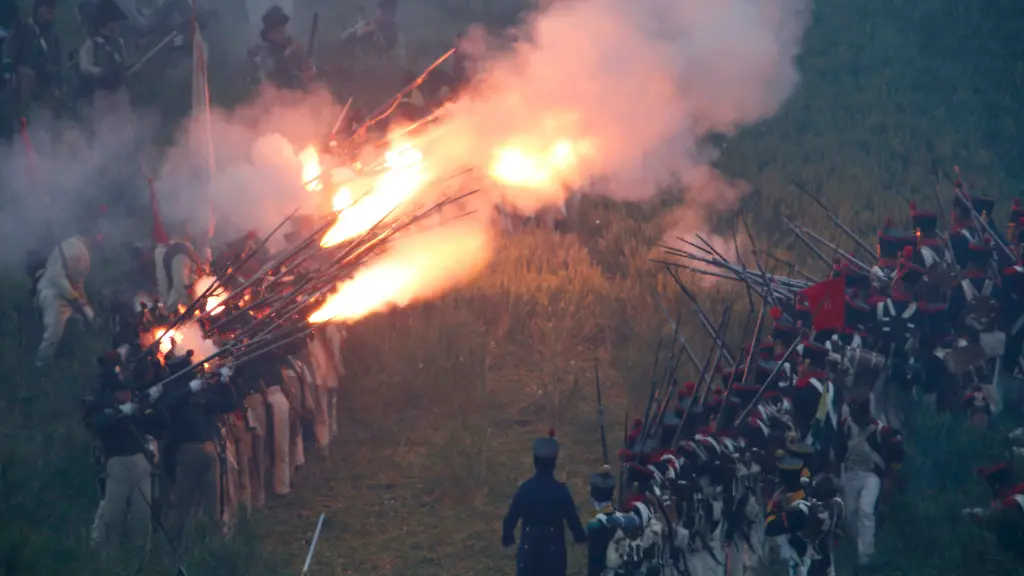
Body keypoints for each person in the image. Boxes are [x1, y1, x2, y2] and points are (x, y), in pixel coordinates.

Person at [83, 351, 166, 562]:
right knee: (112, 520)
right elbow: (96, 425)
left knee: (142, 520)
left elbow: (160, 425)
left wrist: (152, 404)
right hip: (117, 464)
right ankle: (109, 563)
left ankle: (140, 563)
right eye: (123, 390)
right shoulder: (101, 406)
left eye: (128, 390)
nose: (128, 394)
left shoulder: (136, 408)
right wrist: (120, 412)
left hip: (141, 465)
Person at [159, 360, 239, 548]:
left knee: (213, 508)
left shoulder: (202, 395)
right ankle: (173, 549)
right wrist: (188, 390)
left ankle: (215, 548)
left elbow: (229, 404)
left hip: (209, 449)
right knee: (182, 507)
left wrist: (225, 383)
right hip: (185, 452)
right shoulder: (174, 393)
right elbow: (165, 406)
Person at [501, 429, 587, 576]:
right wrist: (580, 537)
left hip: (528, 554)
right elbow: (573, 520)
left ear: (535, 462)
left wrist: (508, 539)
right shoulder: (561, 492)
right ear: (554, 463)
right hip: (554, 556)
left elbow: (510, 519)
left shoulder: (525, 489)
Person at [835, 395, 904, 567]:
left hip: (871, 476)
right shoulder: (846, 426)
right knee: (850, 514)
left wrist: (889, 477)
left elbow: (897, 453)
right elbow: (839, 450)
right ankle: (858, 545)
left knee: (866, 511)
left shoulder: (881, 431)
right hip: (850, 475)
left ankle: (866, 556)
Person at [35, 235, 95, 367]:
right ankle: (42, 364)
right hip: (52, 293)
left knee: (83, 322)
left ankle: (79, 356)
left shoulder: (85, 256)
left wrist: (83, 302)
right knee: (53, 332)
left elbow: (79, 281)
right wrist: (72, 295)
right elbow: (56, 275)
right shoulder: (70, 248)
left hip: (70, 296)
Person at [3, 0, 62, 116]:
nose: (50, 10)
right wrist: (9, 73)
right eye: (46, 6)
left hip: (45, 81)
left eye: (52, 7)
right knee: (26, 73)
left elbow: (58, 63)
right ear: (37, 8)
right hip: (22, 81)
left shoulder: (54, 37)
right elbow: (9, 53)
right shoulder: (22, 29)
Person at [250, 5, 314, 91]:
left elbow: (308, 70)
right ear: (269, 35)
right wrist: (286, 56)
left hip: (300, 91)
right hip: (278, 93)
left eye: (282, 29)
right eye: (277, 32)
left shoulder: (295, 46)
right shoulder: (265, 53)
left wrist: (307, 64)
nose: (282, 34)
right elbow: (271, 72)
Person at [77, 0, 128, 107]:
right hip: (99, 94)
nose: (117, 25)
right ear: (106, 23)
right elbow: (84, 67)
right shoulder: (91, 43)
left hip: (119, 93)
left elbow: (124, 64)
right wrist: (101, 72)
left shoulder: (119, 43)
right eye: (114, 21)